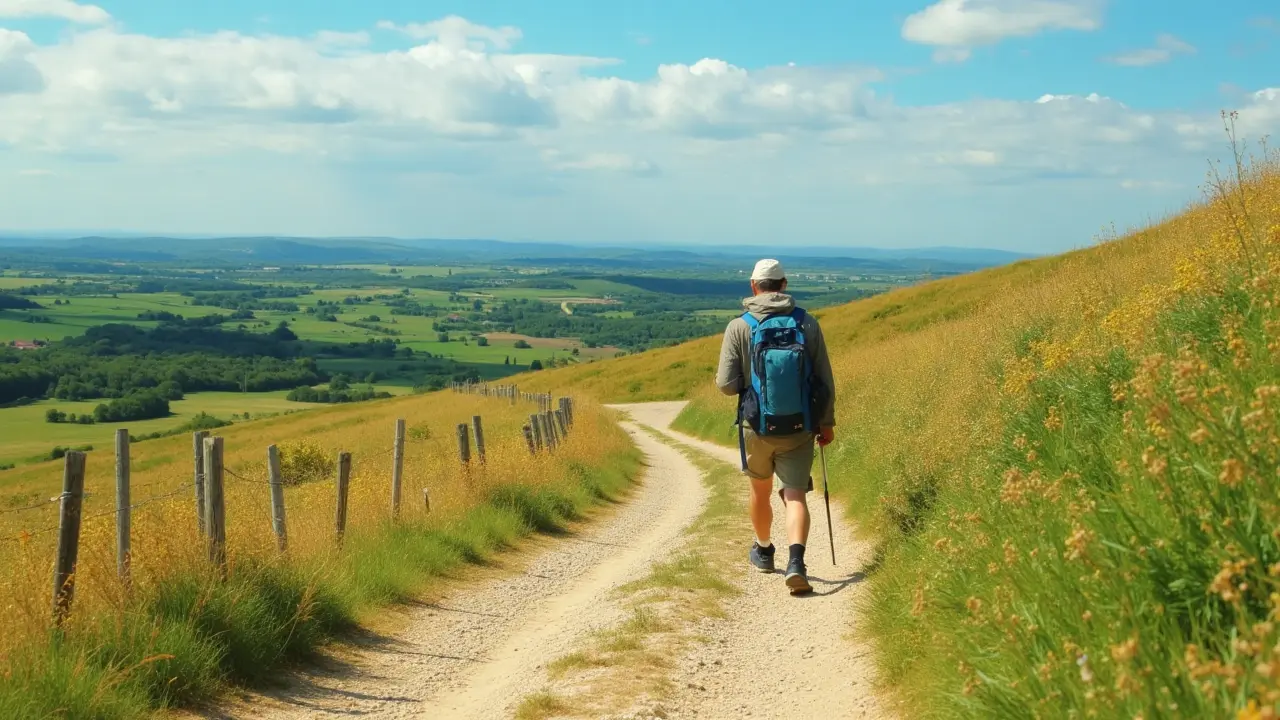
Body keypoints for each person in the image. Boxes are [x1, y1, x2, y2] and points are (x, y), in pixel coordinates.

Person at [715, 258, 836, 594]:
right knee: (795, 494)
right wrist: (826, 423)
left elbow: (725, 385)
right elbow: (824, 379)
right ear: (784, 284)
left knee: (760, 490)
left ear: (754, 287)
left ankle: (765, 550)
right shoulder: (806, 323)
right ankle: (797, 563)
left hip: (756, 426)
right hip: (800, 426)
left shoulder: (739, 326)